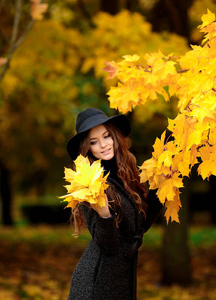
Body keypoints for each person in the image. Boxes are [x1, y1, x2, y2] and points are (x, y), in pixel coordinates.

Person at [65, 107, 163, 300]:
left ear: (115, 136)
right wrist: (104, 215)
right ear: (87, 148)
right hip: (98, 281)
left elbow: (139, 226)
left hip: (120, 277)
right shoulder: (88, 182)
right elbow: (108, 246)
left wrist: (162, 187)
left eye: (106, 136)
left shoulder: (125, 171)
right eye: (94, 142)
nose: (103, 145)